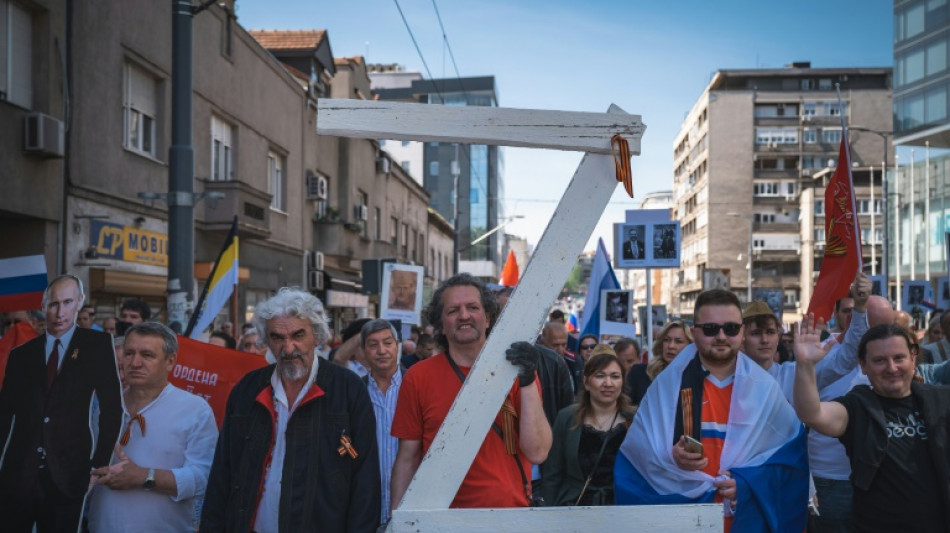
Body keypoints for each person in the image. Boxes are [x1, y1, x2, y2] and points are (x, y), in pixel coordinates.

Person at [615, 289, 808, 532]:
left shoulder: (765, 389)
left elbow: (789, 460)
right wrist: (670, 457)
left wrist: (746, 484)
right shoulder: (666, 386)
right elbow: (636, 456)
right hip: (683, 521)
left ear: (741, 332)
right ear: (694, 332)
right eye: (710, 329)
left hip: (742, 521)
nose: (721, 336)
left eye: (731, 328)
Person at [201, 288, 380, 532]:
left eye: (298, 335)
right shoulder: (247, 390)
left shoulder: (348, 389)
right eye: (277, 337)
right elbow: (223, 472)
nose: (288, 348)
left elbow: (365, 478)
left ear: (317, 336)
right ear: (267, 340)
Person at [390, 273, 552, 510]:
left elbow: (537, 452)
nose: (464, 315)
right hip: (441, 519)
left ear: (488, 318)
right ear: (440, 325)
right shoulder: (418, 377)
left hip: (510, 516)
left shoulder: (518, 371)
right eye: (453, 310)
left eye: (473, 307)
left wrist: (527, 380)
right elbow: (407, 459)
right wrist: (397, 521)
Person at [794, 321, 950, 531]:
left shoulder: (941, 400)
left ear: (913, 359)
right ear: (863, 365)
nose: (891, 368)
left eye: (899, 358)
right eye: (880, 360)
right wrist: (805, 365)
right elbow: (812, 414)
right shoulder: (858, 406)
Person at [0, 275, 123, 532]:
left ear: (79, 302)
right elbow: (4, 414)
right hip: (18, 472)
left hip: (69, 472)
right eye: (54, 304)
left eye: (67, 302)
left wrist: (98, 464)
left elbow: (112, 408)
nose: (60, 312)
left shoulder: (97, 345)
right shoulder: (21, 355)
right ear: (44, 306)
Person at [87, 322, 218, 532]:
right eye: (129, 353)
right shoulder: (105, 406)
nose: (135, 363)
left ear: (170, 361)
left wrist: (144, 477)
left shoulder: (195, 410)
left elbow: (203, 478)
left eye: (147, 355)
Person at [540, 351, 634, 506]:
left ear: (623, 382)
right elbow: (553, 474)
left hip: (623, 507)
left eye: (615, 376)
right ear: (586, 382)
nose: (608, 383)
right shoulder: (566, 418)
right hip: (576, 507)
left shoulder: (636, 420)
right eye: (600, 376)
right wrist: (547, 513)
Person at [359, 319, 403, 525]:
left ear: (397, 345)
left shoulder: (416, 385)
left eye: (387, 343)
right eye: (373, 344)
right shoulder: (355, 392)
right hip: (366, 504)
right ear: (363, 351)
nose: (381, 350)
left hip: (409, 502)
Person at [625, 321, 691, 404]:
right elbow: (626, 406)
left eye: (678, 341)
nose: (671, 346)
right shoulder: (639, 373)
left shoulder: (693, 380)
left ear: (690, 347)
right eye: (666, 340)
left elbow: (688, 411)